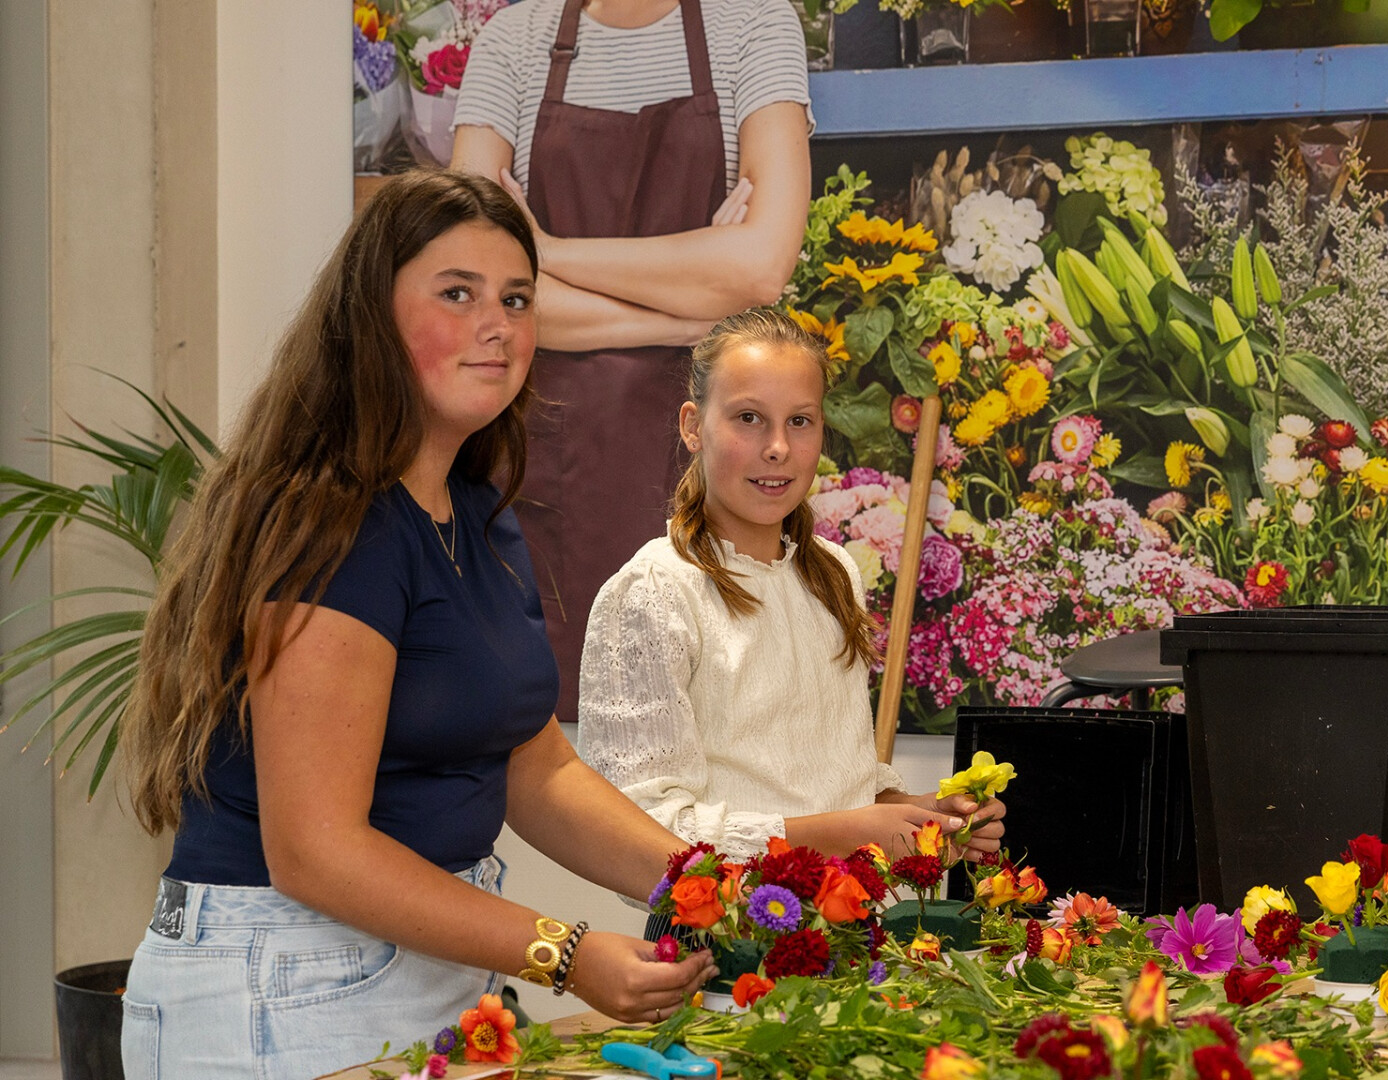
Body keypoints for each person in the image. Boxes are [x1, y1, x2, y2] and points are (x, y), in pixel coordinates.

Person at [119, 170, 719, 1079]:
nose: (499, 324)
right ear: (373, 321)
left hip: (421, 975)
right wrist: (565, 950)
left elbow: (533, 763)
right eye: (457, 293)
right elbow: (315, 853)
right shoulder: (334, 523)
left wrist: (708, 884)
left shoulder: (476, 508)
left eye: (517, 298)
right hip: (278, 984)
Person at [450, 0, 814, 723]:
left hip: (717, 466)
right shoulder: (513, 43)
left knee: (724, 742)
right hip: (548, 473)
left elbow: (760, 266)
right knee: (555, 754)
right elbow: (476, 286)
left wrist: (545, 252)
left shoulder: (755, 23)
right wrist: (689, 307)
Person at [577, 310, 1006, 876]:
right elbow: (640, 833)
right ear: (691, 425)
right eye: (749, 418)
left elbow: (835, 787)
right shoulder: (652, 593)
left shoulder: (832, 573)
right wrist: (845, 835)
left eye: (799, 421)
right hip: (719, 942)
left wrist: (922, 819)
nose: (777, 447)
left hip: (847, 932)